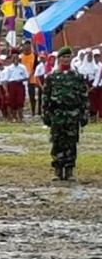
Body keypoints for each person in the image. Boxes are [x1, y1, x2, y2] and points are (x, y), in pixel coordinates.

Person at [42, 47, 90, 181]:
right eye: (63, 57)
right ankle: (58, 170)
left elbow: (83, 96)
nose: (66, 59)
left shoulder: (77, 77)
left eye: (68, 57)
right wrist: (46, 114)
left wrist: (84, 114)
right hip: (57, 114)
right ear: (59, 59)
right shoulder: (52, 77)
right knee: (57, 141)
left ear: (71, 59)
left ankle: (69, 170)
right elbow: (46, 96)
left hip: (72, 114)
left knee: (71, 142)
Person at [4, 52, 29, 122]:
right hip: (12, 85)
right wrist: (6, 91)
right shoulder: (9, 68)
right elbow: (6, 80)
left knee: (20, 101)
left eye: (16, 58)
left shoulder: (22, 67)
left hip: (20, 85)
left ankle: (20, 117)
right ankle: (13, 117)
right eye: (13, 59)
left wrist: (20, 79)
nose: (15, 60)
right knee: (12, 102)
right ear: (12, 60)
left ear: (19, 59)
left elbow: (26, 77)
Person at [20, 41, 39, 116]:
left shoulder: (34, 55)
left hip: (32, 78)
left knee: (32, 96)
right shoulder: (20, 56)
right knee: (21, 96)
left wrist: (29, 76)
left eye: (28, 45)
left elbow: (35, 68)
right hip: (22, 79)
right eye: (25, 45)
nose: (27, 47)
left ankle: (33, 111)